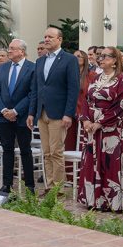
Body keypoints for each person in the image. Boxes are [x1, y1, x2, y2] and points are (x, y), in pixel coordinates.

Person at [78, 46, 123, 211]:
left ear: (115, 60)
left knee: (109, 164)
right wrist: (86, 120)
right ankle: (94, 200)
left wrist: (100, 122)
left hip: (111, 129)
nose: (101, 59)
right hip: (91, 128)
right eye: (100, 56)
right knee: (91, 162)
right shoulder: (96, 78)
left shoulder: (122, 79)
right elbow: (86, 101)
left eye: (105, 56)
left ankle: (111, 202)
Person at [27, 27, 79, 188]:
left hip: (59, 113)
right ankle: (49, 186)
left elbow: (73, 88)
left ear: (59, 40)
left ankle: (58, 189)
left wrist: (68, 114)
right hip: (41, 112)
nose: (47, 39)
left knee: (56, 152)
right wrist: (31, 113)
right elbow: (36, 88)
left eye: (50, 37)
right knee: (47, 152)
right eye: (45, 37)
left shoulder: (69, 59)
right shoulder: (40, 60)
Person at [0, 39, 36, 194]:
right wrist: (4, 110)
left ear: (21, 51)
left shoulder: (32, 68)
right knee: (7, 150)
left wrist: (16, 111)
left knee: (25, 150)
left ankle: (30, 186)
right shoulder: (3, 68)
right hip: (4, 117)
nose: (9, 51)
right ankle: (7, 184)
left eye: (12, 49)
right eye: (9, 48)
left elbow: (32, 93)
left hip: (22, 116)